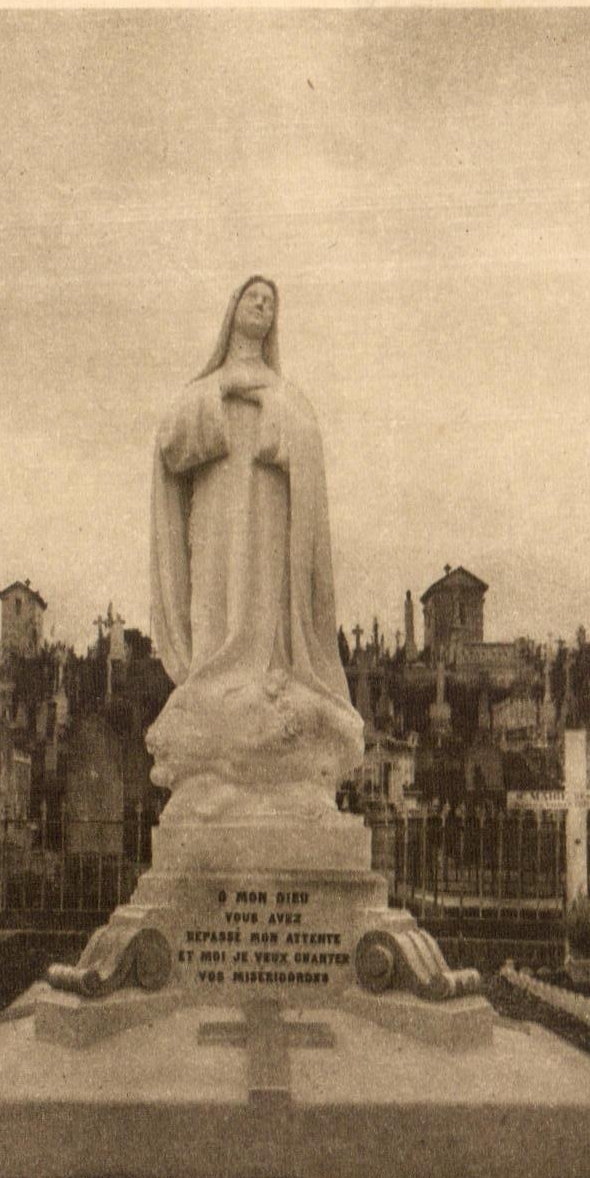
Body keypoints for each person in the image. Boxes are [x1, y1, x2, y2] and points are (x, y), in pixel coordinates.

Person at [146, 277, 363, 819]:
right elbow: (172, 445)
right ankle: (219, 683)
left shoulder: (286, 397)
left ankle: (268, 678)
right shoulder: (205, 389)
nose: (262, 306)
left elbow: (304, 451)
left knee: (265, 601)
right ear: (234, 310)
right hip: (216, 520)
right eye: (253, 298)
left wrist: (271, 411)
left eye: (270, 302)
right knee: (217, 600)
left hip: (268, 521)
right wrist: (224, 396)